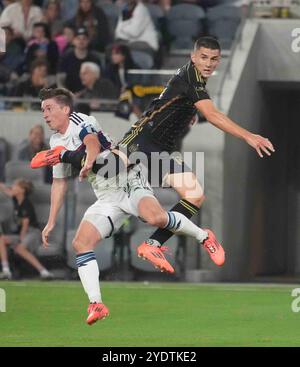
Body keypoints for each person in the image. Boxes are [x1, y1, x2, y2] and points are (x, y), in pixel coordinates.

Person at [39, 36, 275, 274]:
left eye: (214, 59)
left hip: (163, 148)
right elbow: (213, 115)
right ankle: (64, 155)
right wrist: (248, 136)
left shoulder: (195, 82)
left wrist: (186, 113)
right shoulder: (191, 78)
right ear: (193, 57)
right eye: (203, 57)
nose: (208, 63)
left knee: (195, 195)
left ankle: (152, 244)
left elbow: (173, 102)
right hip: (143, 137)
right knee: (108, 167)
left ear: (218, 62)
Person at [33, 87, 224, 325]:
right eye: (42, 110)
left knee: (155, 218)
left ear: (65, 108)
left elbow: (91, 142)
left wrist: (88, 161)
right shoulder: (55, 141)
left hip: (127, 179)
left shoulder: (80, 119)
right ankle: (96, 304)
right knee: (81, 244)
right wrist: (51, 221)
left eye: (49, 108)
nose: (45, 114)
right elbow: (59, 183)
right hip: (106, 197)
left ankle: (205, 237)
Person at [0, 179, 53, 280]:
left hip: (32, 232)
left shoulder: (26, 204)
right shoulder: (16, 199)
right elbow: (8, 192)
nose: (12, 188)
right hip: (22, 233)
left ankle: (44, 272)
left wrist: (21, 239)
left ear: (22, 190)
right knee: (1, 239)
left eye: (15, 186)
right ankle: (6, 270)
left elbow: (25, 224)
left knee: (20, 248)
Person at [57, 26, 102, 93]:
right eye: (78, 38)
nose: (81, 41)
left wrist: (84, 93)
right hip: (69, 95)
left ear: (88, 41)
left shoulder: (94, 59)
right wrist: (67, 94)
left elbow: (98, 80)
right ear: (73, 41)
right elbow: (60, 80)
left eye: (84, 39)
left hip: (90, 95)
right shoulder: (65, 58)